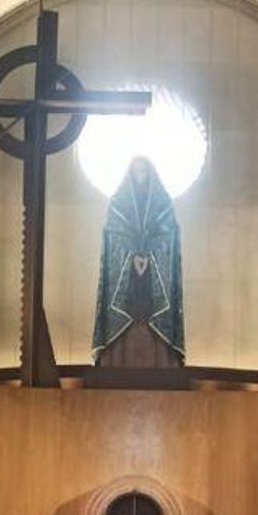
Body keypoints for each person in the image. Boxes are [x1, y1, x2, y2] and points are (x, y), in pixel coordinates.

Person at [91, 157, 185, 368]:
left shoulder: (164, 204)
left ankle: (161, 362)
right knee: (125, 313)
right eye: (137, 171)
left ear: (151, 174)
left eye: (144, 171)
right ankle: (116, 362)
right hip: (127, 277)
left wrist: (150, 258)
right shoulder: (118, 204)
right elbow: (113, 234)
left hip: (154, 275)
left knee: (155, 314)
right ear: (131, 174)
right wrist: (131, 257)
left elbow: (169, 235)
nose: (141, 175)